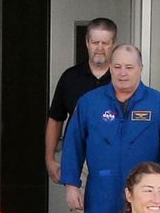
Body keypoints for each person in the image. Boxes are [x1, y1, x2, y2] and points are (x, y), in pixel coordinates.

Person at [60, 44, 160, 213]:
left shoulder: (158, 103)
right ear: (110, 68)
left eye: (129, 67)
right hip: (101, 193)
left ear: (140, 68)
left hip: (143, 194)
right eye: (117, 67)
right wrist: (71, 185)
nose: (123, 73)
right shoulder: (90, 102)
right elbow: (73, 145)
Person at [44, 18, 117, 186]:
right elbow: (55, 119)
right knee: (78, 203)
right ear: (87, 43)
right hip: (78, 158)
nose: (100, 48)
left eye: (105, 43)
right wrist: (49, 158)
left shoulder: (122, 79)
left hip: (114, 160)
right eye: (95, 42)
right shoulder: (70, 77)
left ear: (113, 44)